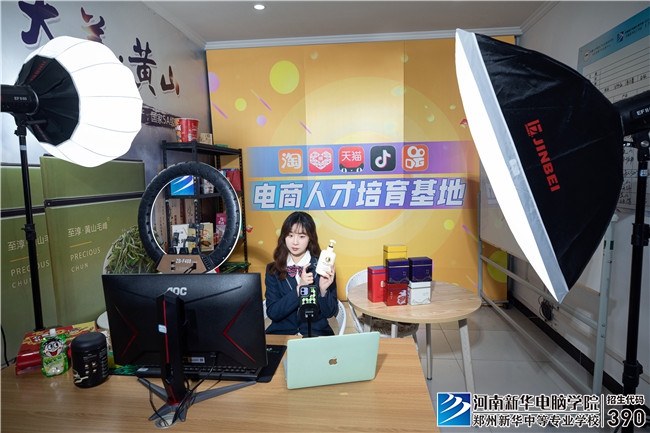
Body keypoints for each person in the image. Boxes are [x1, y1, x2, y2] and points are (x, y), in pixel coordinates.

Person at [265, 211, 338, 336]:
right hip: (282, 334)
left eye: (302, 236)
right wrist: (299, 290)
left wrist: (323, 291)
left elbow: (330, 313)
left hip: (316, 334)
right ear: (284, 237)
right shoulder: (273, 269)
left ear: (310, 238)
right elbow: (273, 313)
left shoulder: (323, 266)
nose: (295, 242)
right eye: (290, 235)